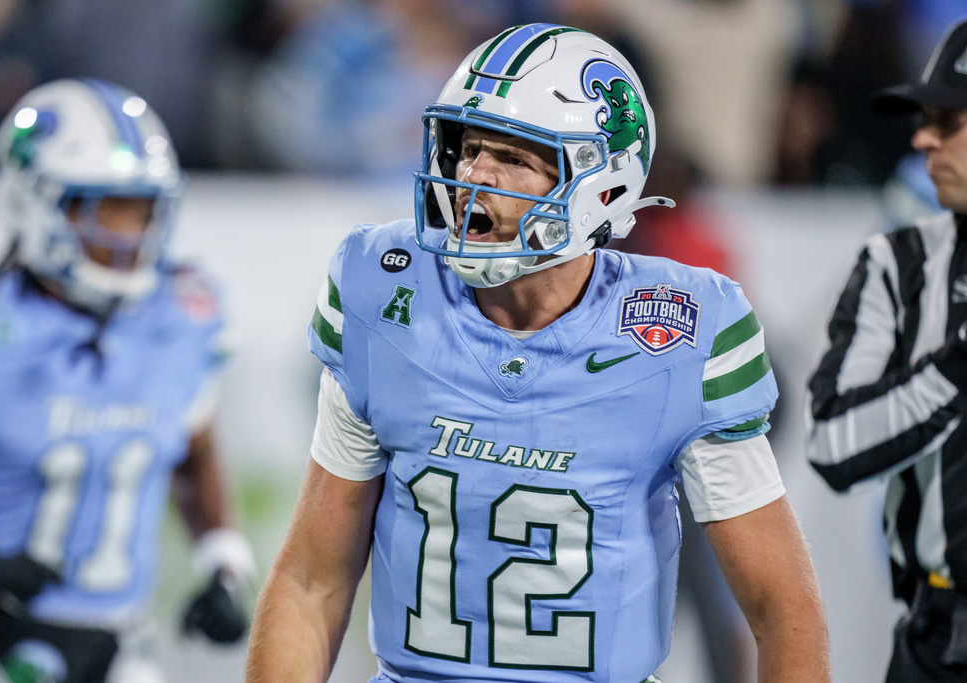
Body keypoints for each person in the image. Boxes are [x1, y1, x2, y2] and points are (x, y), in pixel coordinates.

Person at [247, 23, 830, 683]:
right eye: (468, 147)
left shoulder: (675, 332)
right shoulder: (384, 293)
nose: (472, 177)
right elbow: (310, 581)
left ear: (601, 188)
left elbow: (782, 608)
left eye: (514, 158)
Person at [0, 78, 256, 683]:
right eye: (104, 208)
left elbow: (191, 452)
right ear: (32, 201)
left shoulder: (180, 317)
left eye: (141, 210)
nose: (128, 234)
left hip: (123, 645)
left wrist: (221, 560)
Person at [807, 16, 967, 683]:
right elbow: (833, 445)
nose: (922, 137)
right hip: (942, 640)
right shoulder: (897, 263)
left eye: (949, 119)